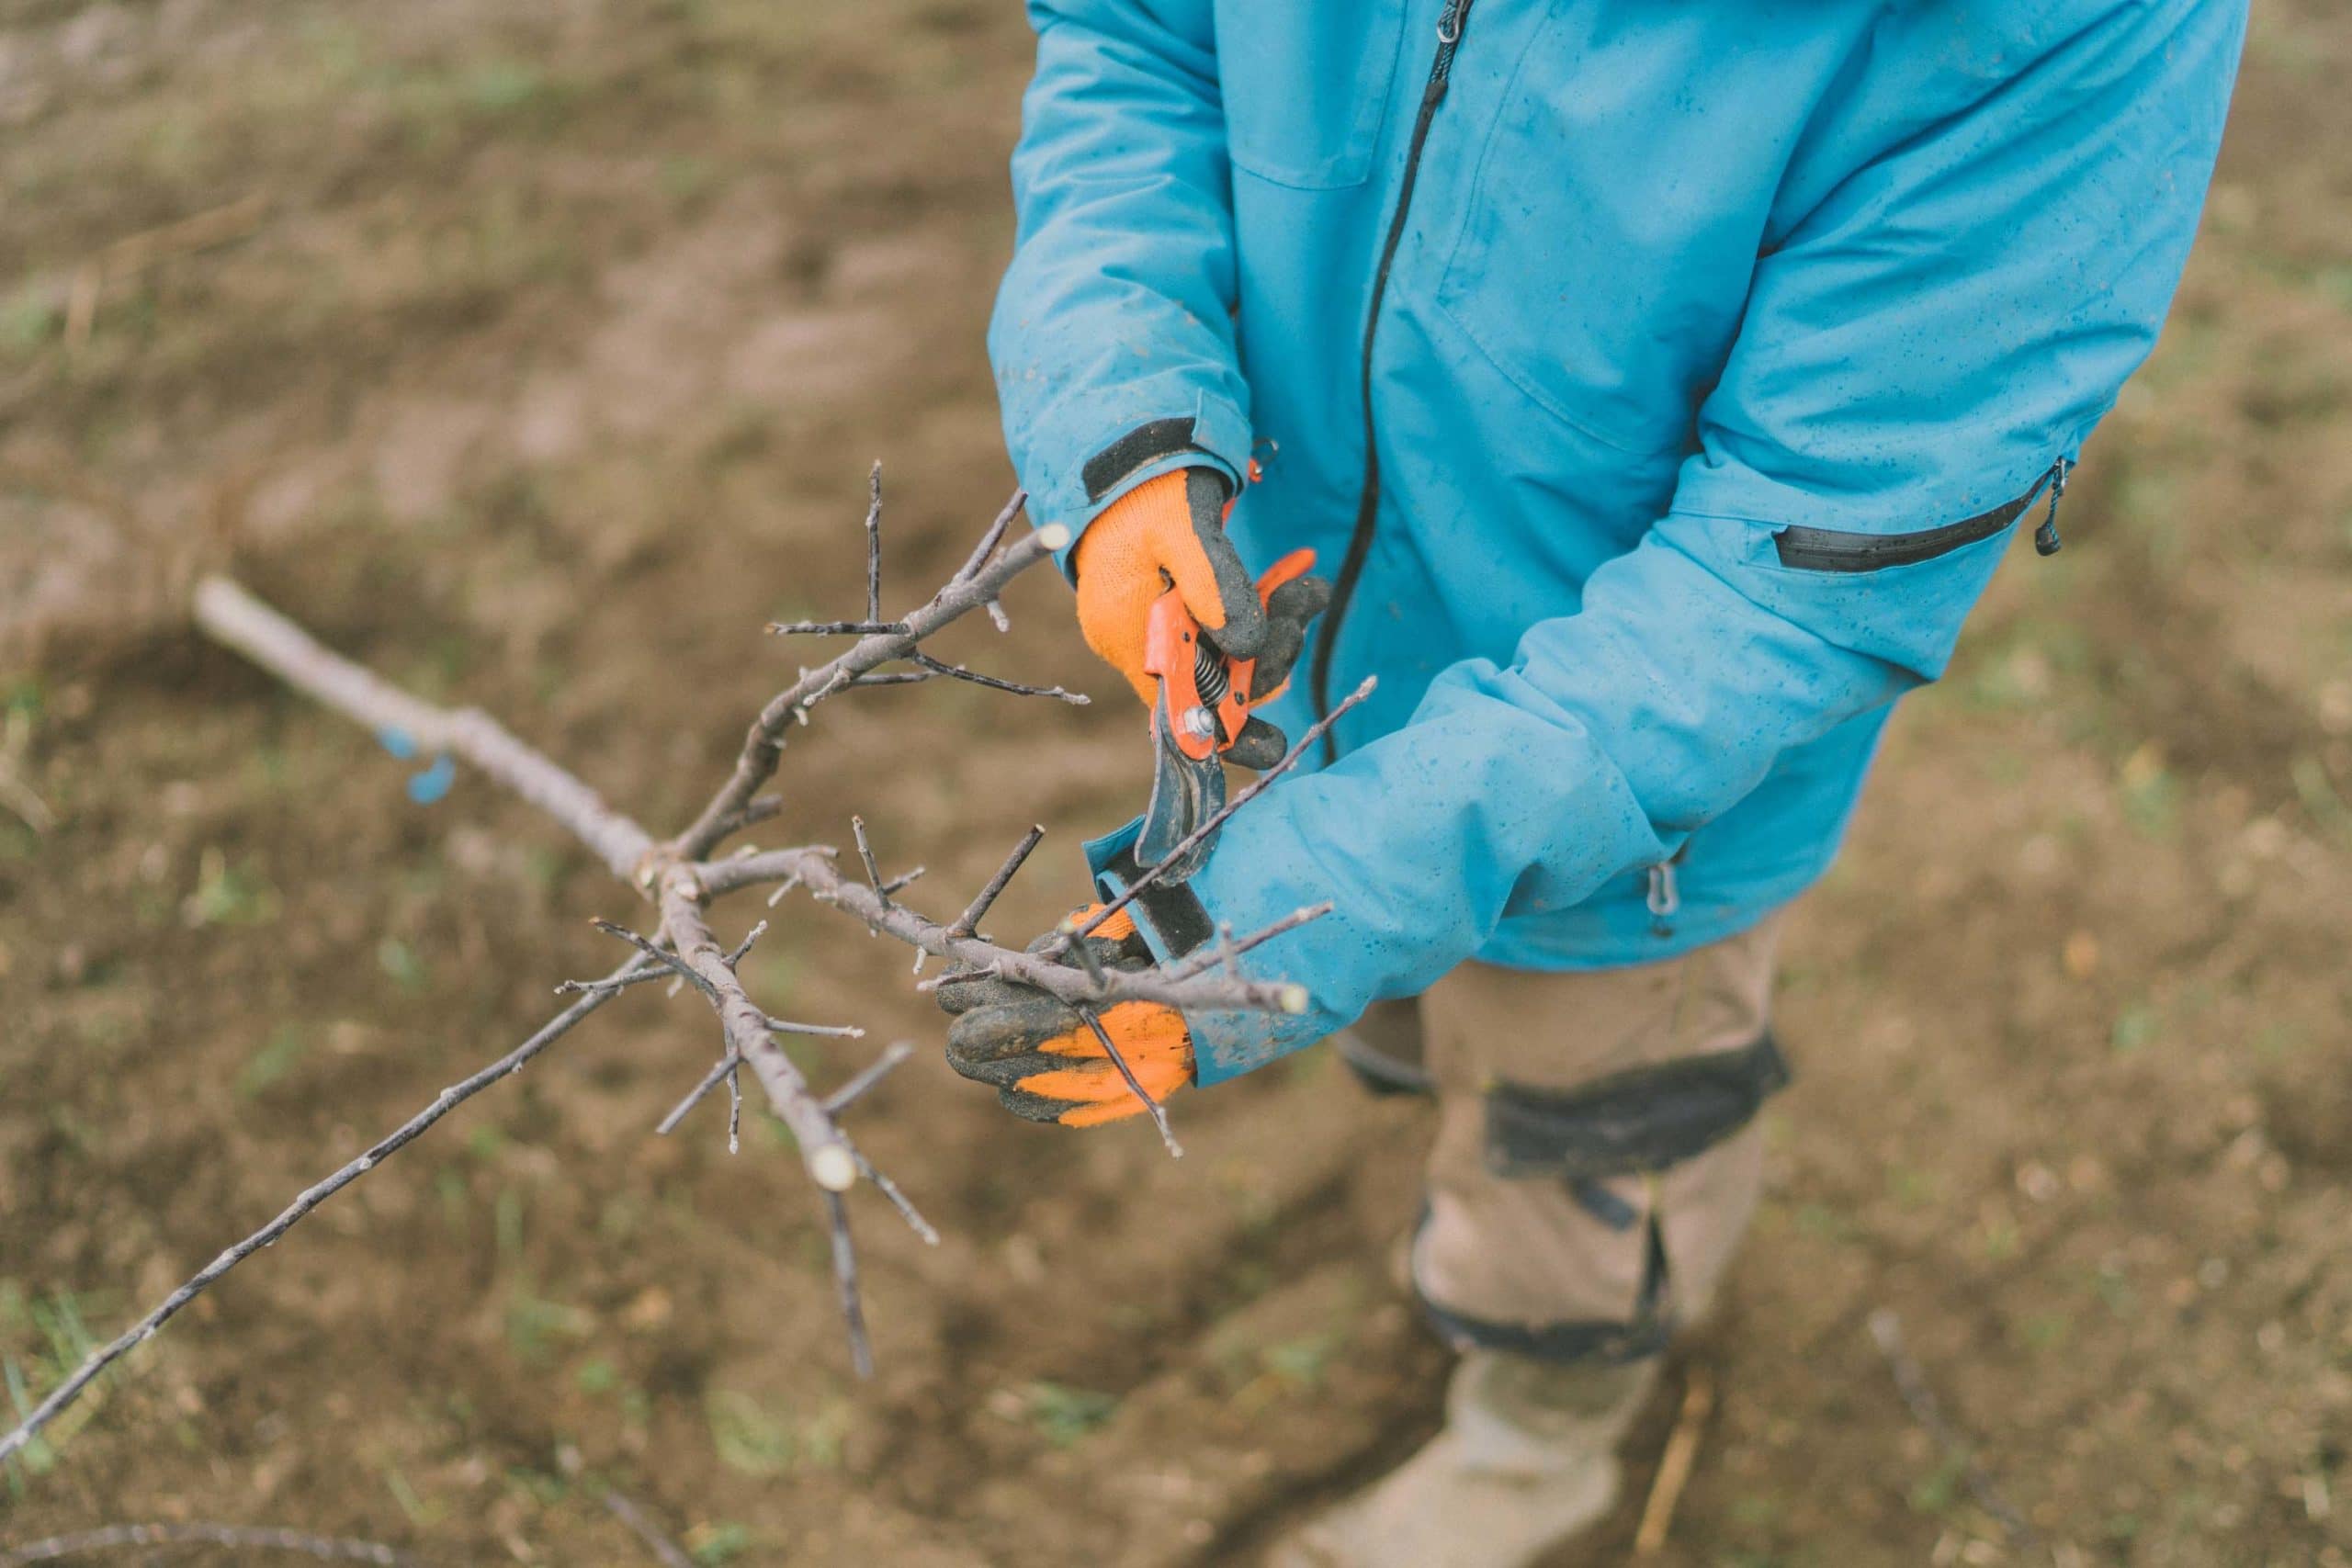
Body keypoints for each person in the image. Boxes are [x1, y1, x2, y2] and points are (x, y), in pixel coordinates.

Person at [940, 4, 2247, 1562]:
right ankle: (1438, 1143)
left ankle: (1538, 1452)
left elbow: (1781, 588)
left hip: (1654, 801)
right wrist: (1129, 431)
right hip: (1312, 659)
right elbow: (1140, 45)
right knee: (1431, 1041)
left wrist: (1288, 915)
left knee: (1585, 1143)